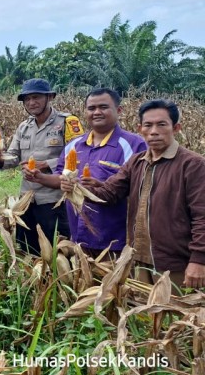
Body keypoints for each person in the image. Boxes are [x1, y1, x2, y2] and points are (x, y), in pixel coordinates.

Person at [66, 100, 205, 290]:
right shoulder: (137, 162)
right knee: (143, 316)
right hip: (139, 259)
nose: (154, 131)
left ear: (176, 128)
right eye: (148, 125)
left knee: (177, 315)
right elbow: (109, 193)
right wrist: (79, 187)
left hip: (175, 263)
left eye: (161, 124)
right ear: (140, 129)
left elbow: (202, 216)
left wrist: (198, 260)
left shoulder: (193, 164)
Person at [29, 88, 145, 256]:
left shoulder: (134, 145)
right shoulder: (74, 145)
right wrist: (41, 178)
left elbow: (142, 188)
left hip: (116, 239)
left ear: (119, 110)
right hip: (78, 234)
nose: (97, 112)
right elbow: (61, 178)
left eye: (103, 107)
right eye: (91, 108)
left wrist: (103, 187)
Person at [0, 79, 84, 254]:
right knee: (29, 248)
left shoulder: (67, 122)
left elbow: (79, 155)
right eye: (27, 99)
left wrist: (47, 164)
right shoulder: (23, 127)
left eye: (36, 97)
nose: (31, 103)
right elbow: (13, 157)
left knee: (58, 250)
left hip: (54, 200)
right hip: (27, 200)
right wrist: (0, 158)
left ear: (50, 97)